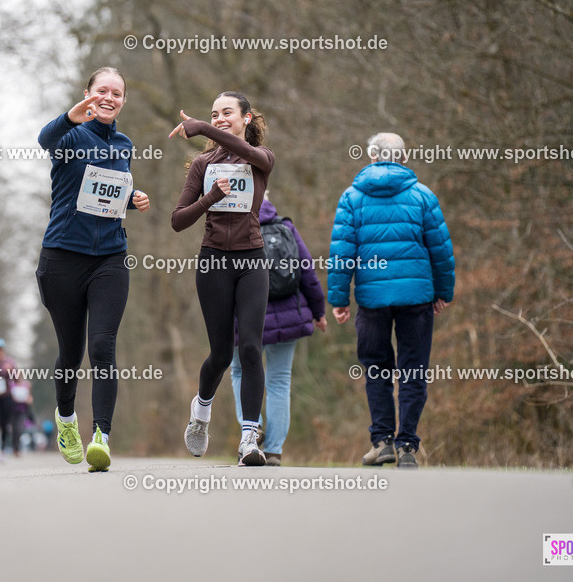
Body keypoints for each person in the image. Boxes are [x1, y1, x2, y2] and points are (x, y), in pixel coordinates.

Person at [36, 67, 150, 473]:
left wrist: (130, 201)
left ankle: (102, 435)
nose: (109, 96)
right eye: (101, 90)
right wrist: (71, 116)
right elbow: (44, 139)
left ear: (123, 100)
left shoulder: (123, 143)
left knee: (102, 347)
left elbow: (106, 200)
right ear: (87, 94)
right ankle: (67, 419)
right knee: (71, 352)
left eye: (116, 92)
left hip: (109, 259)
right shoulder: (69, 135)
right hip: (62, 257)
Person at [328, 132, 455, 469]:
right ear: (401, 157)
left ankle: (382, 441)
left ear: (371, 156)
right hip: (416, 300)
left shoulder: (352, 198)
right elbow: (441, 251)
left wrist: (339, 299)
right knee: (414, 369)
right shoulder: (422, 196)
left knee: (376, 369)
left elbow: (342, 253)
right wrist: (444, 292)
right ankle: (408, 445)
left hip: (372, 301)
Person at [170, 91, 275, 466]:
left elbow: (247, 152)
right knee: (220, 353)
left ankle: (250, 438)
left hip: (252, 259)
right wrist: (210, 197)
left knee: (250, 347)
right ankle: (201, 412)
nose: (218, 119)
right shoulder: (201, 165)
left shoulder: (261, 160)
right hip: (213, 262)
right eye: (213, 115)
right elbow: (178, 221)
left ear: (246, 118)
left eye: (226, 113)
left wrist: (202, 129)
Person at [229, 196, 327, 466]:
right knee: (279, 381)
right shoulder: (286, 227)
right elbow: (307, 270)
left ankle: (252, 428)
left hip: (245, 317)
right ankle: (273, 451)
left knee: (239, 371)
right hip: (288, 317)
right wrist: (319, 312)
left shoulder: (231, 229)